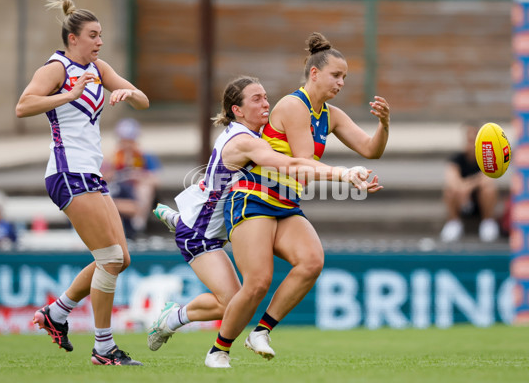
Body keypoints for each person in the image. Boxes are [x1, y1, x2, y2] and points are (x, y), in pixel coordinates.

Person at [146, 76, 377, 364]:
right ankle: (175, 318)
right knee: (234, 303)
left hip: (218, 221)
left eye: (266, 96)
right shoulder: (244, 141)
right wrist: (342, 174)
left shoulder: (258, 136)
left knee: (240, 300)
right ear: (237, 110)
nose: (266, 103)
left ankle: (176, 231)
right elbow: (291, 165)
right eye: (256, 99)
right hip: (202, 235)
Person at [197, 31, 389, 368]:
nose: (341, 82)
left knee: (312, 261)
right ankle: (218, 350)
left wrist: (384, 125)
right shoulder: (292, 105)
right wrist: (345, 175)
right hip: (253, 197)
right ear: (314, 74)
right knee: (257, 282)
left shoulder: (330, 115)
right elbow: (303, 163)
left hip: (285, 204)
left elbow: (371, 149)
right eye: (336, 75)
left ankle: (261, 331)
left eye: (345, 77)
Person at [15, 0, 149, 366]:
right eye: (93, 35)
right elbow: (23, 105)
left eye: (101, 35)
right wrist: (69, 94)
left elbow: (144, 102)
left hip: (89, 174)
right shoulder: (57, 67)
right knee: (109, 258)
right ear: (73, 38)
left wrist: (128, 92)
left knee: (120, 259)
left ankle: (57, 313)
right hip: (66, 172)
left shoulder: (100, 67)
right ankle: (103, 348)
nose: (100, 42)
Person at [439, 123, 500, 243]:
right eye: (469, 139)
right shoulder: (456, 159)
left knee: (488, 189)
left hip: (479, 200)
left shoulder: (486, 159)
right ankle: (454, 223)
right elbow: (451, 179)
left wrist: (467, 186)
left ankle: (488, 222)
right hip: (461, 200)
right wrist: (464, 187)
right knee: (449, 190)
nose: (471, 143)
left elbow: (488, 178)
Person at [102, 118, 161, 239]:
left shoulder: (145, 156)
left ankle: (138, 223)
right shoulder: (112, 157)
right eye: (124, 140)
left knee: (145, 188)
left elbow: (156, 180)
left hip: (136, 193)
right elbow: (102, 177)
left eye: (130, 140)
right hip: (118, 192)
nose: (127, 144)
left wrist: (139, 176)